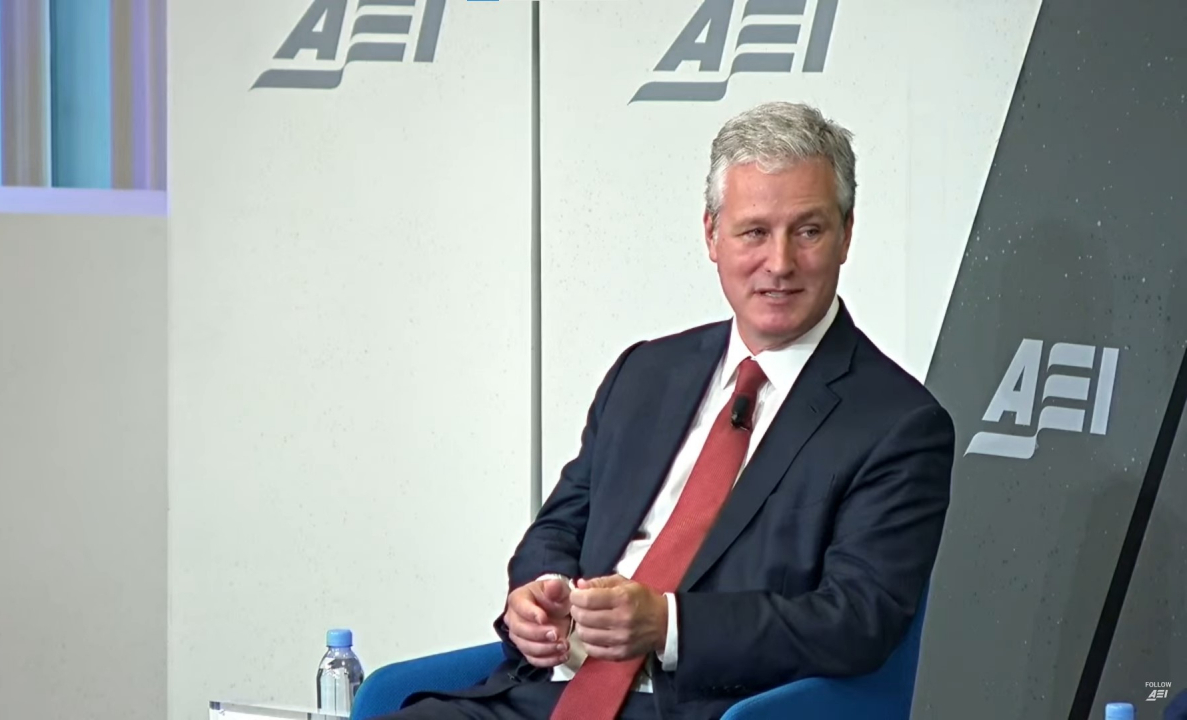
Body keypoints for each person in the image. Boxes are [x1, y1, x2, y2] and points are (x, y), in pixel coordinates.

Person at [383, 101, 956, 719]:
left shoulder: (898, 424)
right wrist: (537, 592)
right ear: (712, 235)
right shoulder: (646, 373)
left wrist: (668, 624)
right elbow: (560, 526)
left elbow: (856, 621)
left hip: (700, 708)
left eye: (809, 230)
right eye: (754, 231)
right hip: (539, 696)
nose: (781, 262)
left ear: (846, 233)